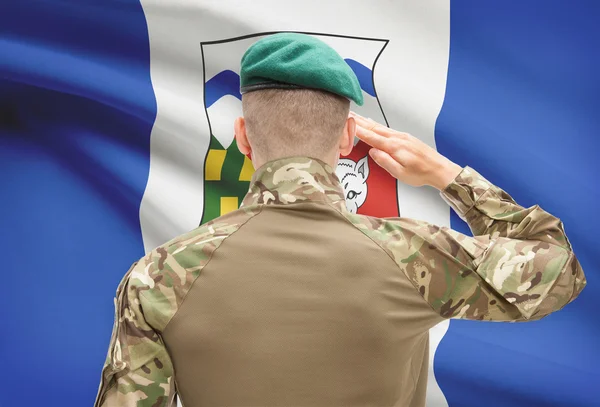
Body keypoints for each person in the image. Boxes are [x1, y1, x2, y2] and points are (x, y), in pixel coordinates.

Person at [94, 33, 586, 407]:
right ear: (350, 137)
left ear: (242, 137)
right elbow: (558, 269)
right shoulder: (414, 257)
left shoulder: (158, 276)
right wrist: (447, 175)